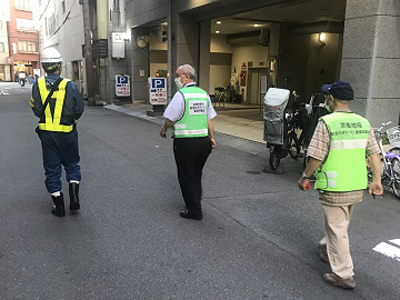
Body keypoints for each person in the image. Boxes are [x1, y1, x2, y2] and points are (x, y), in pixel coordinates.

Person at [298, 80, 383, 289]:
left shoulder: (326, 122)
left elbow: (317, 157)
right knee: (339, 224)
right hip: (356, 184)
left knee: (337, 229)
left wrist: (305, 177)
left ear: (332, 99)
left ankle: (344, 275)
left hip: (334, 186)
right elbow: (374, 154)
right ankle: (326, 249)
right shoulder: (363, 122)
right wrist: (377, 180)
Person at [29, 47, 84, 217]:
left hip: (47, 135)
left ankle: (58, 207)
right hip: (67, 133)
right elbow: (78, 110)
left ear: (44, 67)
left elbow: (37, 111)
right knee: (72, 164)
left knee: (52, 168)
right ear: (59, 66)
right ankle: (74, 198)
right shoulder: (70, 85)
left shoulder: (37, 85)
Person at [160, 64, 217, 220]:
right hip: (204, 142)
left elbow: (170, 118)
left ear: (186, 76)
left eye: (178, 75)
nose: (176, 79)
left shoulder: (181, 95)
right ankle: (195, 203)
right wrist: (212, 138)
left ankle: (194, 210)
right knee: (196, 174)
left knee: (186, 175)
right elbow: (209, 118)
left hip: (186, 142)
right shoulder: (204, 94)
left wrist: (164, 129)